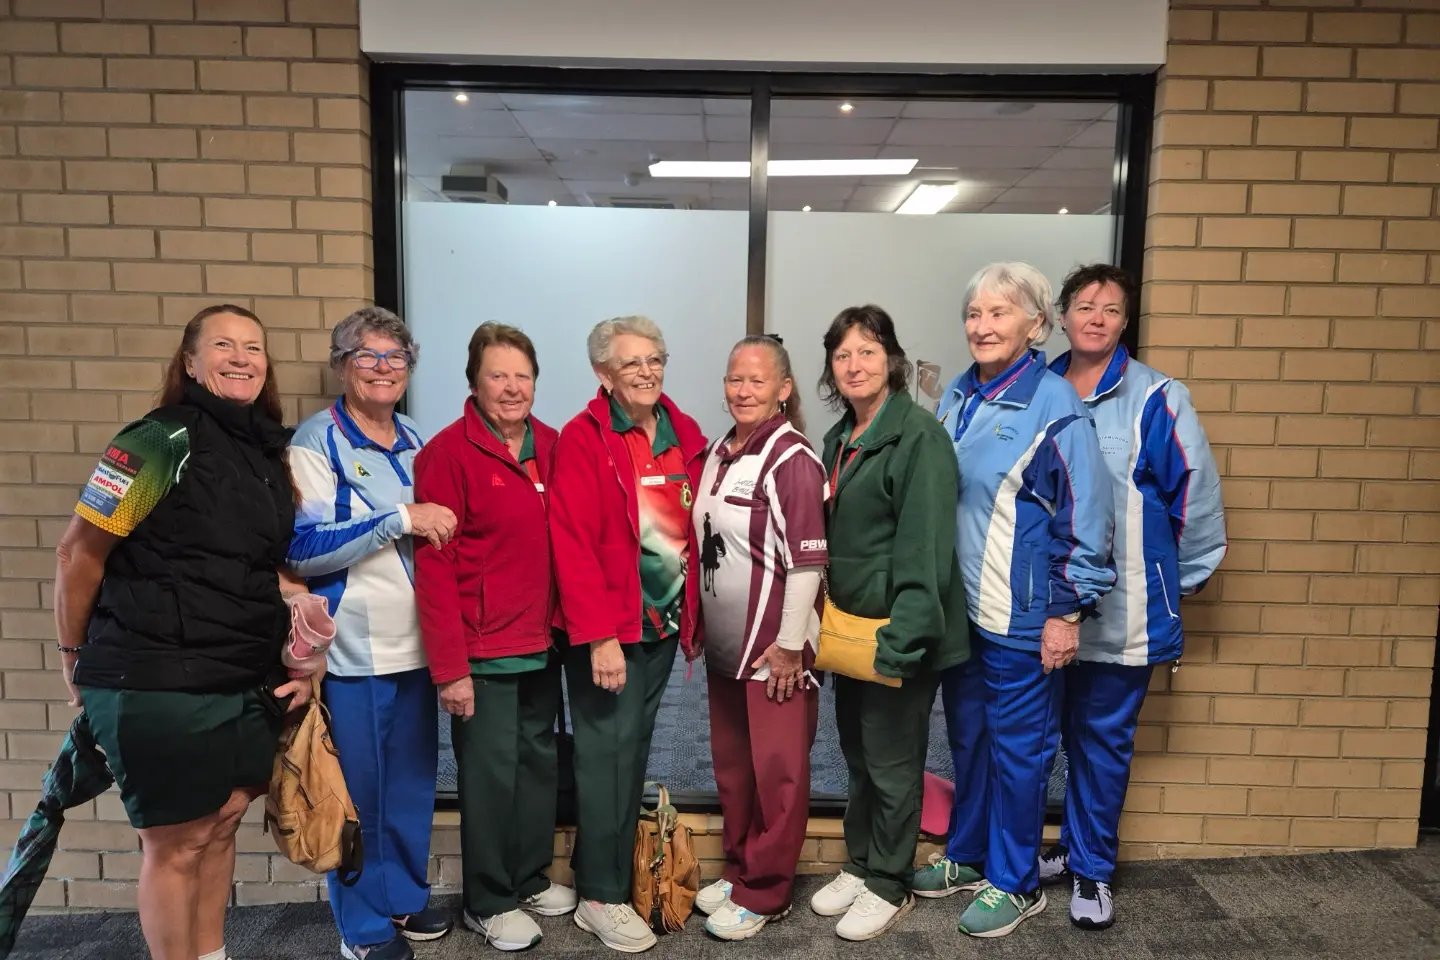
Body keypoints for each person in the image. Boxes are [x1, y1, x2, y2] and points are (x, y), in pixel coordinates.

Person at [54, 305, 319, 960]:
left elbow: (261, 569)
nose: (241, 358)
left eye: (254, 347)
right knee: (175, 845)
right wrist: (73, 657)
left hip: (241, 675)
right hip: (156, 677)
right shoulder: (157, 440)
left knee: (221, 826)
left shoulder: (265, 451)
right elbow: (78, 554)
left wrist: (300, 657)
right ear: (191, 362)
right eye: (223, 345)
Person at [914, 262, 1115, 939]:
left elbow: (1087, 518)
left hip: (1022, 617)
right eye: (974, 313)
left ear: (1036, 325)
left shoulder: (1055, 404)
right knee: (968, 741)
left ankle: (1015, 880)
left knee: (1020, 752)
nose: (982, 325)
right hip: (961, 612)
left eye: (999, 313)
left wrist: (1066, 613)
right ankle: (969, 856)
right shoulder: (960, 397)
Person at [1038, 264, 1226, 929]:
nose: (1096, 317)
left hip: (1125, 619)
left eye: (1111, 310)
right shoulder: (1039, 390)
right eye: (1084, 305)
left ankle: (1091, 870)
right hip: (1042, 612)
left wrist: (1176, 583)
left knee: (1102, 744)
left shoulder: (1157, 398)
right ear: (1062, 315)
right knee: (1045, 740)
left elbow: (1194, 501)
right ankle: (1065, 849)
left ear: (1124, 322)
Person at [287, 307, 457, 960]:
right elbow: (302, 547)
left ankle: (403, 902)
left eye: (395, 358)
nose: (383, 369)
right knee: (357, 796)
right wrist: (398, 518)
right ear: (341, 366)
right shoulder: (315, 443)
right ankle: (361, 929)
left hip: (418, 649)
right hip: (353, 655)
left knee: (411, 786)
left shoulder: (417, 437)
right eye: (368, 356)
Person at [808, 306, 970, 942]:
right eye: (843, 355)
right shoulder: (840, 438)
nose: (854, 365)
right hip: (851, 633)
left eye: (868, 352)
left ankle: (890, 881)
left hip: (900, 634)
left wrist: (900, 644)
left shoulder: (919, 439)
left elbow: (924, 550)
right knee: (858, 757)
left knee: (894, 761)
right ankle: (860, 861)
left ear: (893, 361)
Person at [415, 323, 578, 951]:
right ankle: (488, 898)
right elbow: (434, 570)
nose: (512, 387)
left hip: (543, 643)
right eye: (497, 375)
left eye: (522, 375)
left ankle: (529, 875)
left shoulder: (555, 446)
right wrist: (449, 668)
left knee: (537, 764)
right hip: (481, 650)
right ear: (473, 382)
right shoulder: (448, 454)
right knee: (488, 774)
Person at [549, 316, 707, 954]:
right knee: (604, 756)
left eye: (655, 359)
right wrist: (598, 635)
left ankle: (604, 872)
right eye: (632, 362)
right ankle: (601, 897)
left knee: (629, 755)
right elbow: (572, 542)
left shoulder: (682, 430)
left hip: (661, 627)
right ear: (602, 374)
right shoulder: (584, 439)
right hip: (609, 632)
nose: (647, 371)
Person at [690, 336, 828, 941]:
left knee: (778, 773)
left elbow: (807, 564)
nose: (742, 391)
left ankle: (768, 890)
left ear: (783, 389)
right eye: (733, 379)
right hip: (728, 649)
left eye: (756, 381)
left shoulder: (791, 458)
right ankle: (743, 867)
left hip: (775, 652)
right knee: (735, 770)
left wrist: (792, 646)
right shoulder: (720, 451)